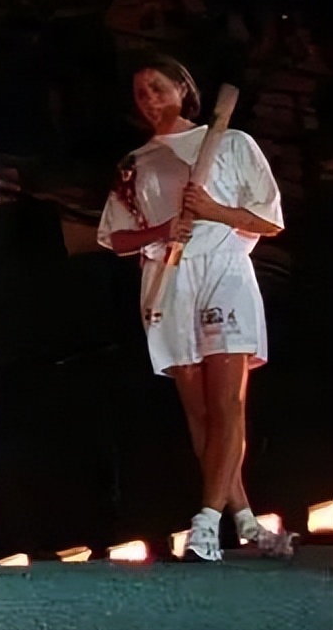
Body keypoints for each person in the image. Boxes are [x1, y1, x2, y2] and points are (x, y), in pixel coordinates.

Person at [96, 53, 297, 562]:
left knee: (229, 402)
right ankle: (245, 519)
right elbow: (115, 238)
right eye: (141, 93)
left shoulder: (230, 143)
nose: (150, 100)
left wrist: (213, 211)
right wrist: (163, 231)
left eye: (159, 88)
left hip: (223, 267)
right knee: (199, 410)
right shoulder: (133, 164)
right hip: (167, 278)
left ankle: (206, 519)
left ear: (184, 90)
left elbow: (270, 222)